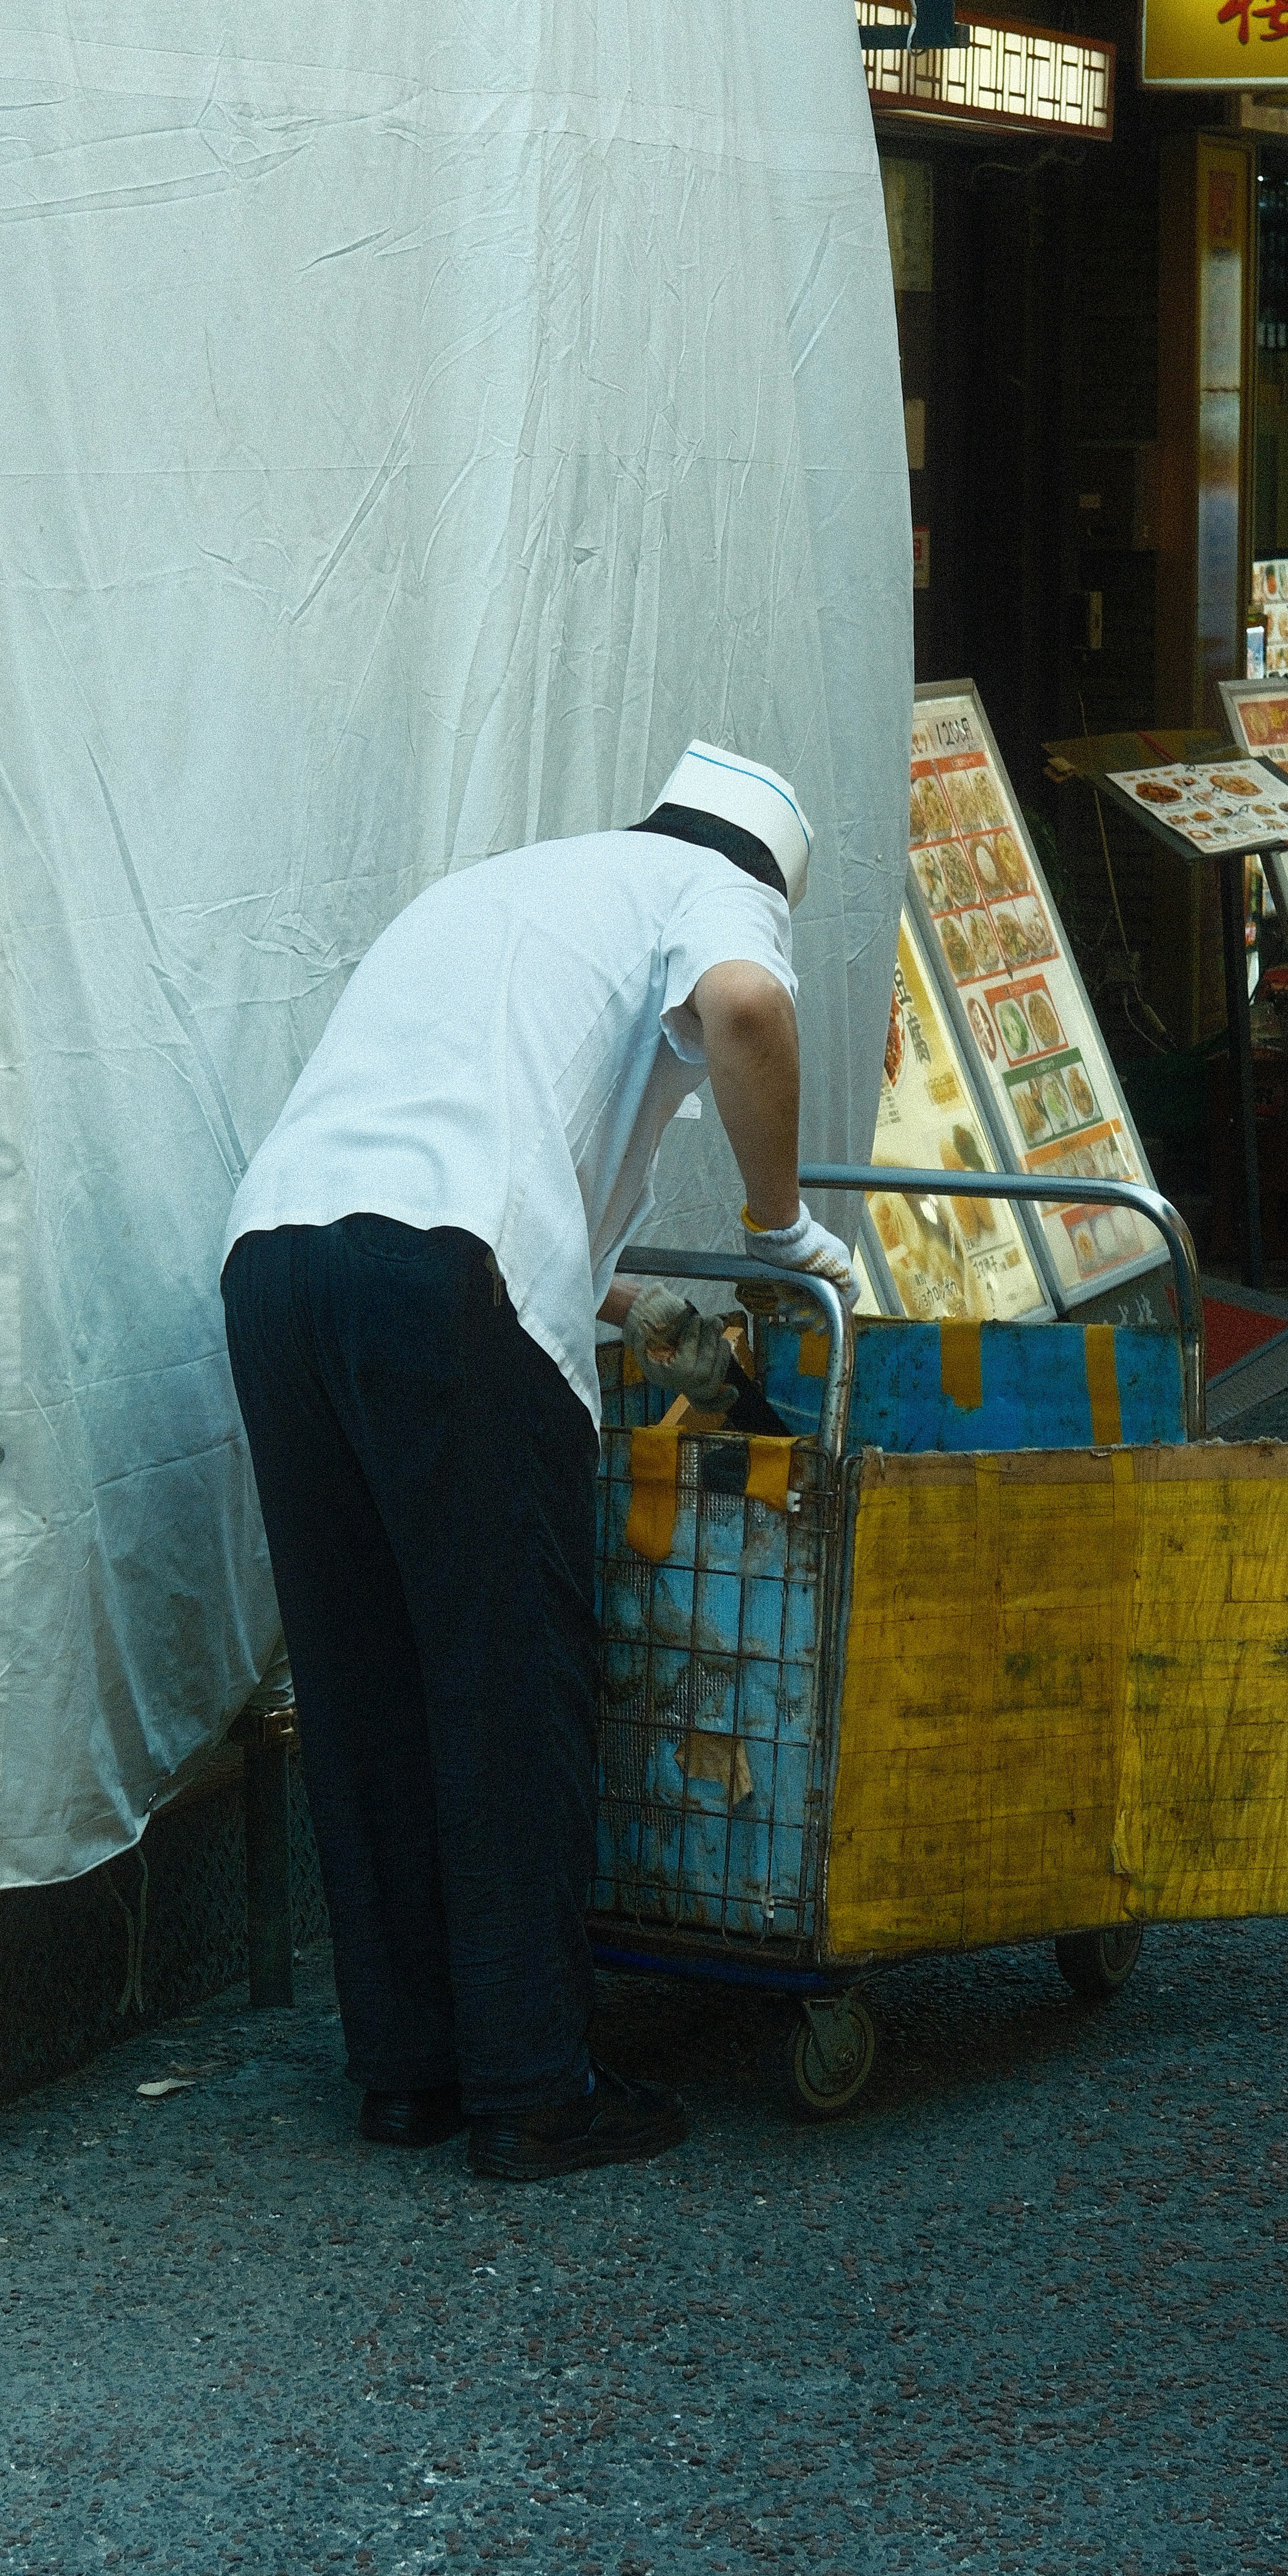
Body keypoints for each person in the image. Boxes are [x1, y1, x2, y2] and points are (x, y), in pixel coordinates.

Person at [219, 743, 860, 2182]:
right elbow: (749, 1010)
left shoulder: (523, 886)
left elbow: (443, 1158)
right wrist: (779, 1234)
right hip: (444, 1271)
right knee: (508, 1675)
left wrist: (638, 1309)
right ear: (767, 875)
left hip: (277, 1261)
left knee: (364, 1672)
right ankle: (530, 2085)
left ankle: (407, 2068)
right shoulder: (717, 894)